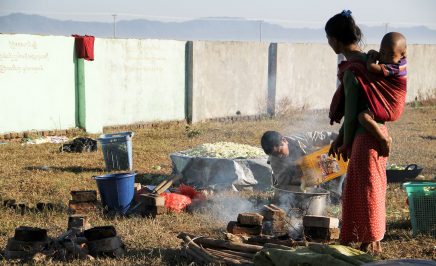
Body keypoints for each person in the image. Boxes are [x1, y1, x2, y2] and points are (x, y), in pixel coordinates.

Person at [325, 10, 396, 254]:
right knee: (369, 188)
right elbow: (359, 111)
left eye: (328, 38)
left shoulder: (352, 70)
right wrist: (339, 137)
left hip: (365, 138)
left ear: (334, 39)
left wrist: (345, 143)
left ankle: (369, 243)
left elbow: (354, 112)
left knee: (366, 191)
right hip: (377, 133)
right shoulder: (369, 62)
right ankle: (367, 240)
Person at [357, 32, 408, 156]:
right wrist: (376, 53)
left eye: (391, 54)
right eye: (382, 52)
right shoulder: (394, 61)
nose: (385, 57)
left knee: (363, 117)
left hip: (392, 105)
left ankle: (383, 139)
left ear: (402, 54)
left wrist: (370, 59)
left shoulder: (396, 67)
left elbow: (372, 68)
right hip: (389, 103)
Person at [260, 131, 343, 198]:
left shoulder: (299, 140)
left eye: (279, 152)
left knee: (337, 158)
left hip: (317, 167)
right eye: (275, 155)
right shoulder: (275, 161)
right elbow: (283, 183)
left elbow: (324, 136)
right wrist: (295, 172)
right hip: (301, 184)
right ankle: (320, 194)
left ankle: (334, 195)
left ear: (284, 141)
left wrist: (340, 137)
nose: (279, 156)